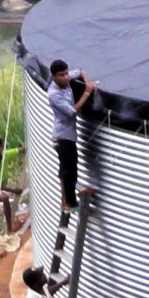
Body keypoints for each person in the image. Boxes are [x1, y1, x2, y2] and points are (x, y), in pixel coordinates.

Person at [47, 60, 98, 214]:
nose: (65, 77)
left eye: (66, 73)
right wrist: (87, 92)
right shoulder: (54, 94)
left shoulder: (66, 79)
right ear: (54, 77)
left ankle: (65, 201)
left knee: (65, 170)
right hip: (63, 137)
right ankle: (70, 203)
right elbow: (72, 111)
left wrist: (86, 80)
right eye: (61, 75)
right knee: (70, 171)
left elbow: (81, 71)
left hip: (67, 136)